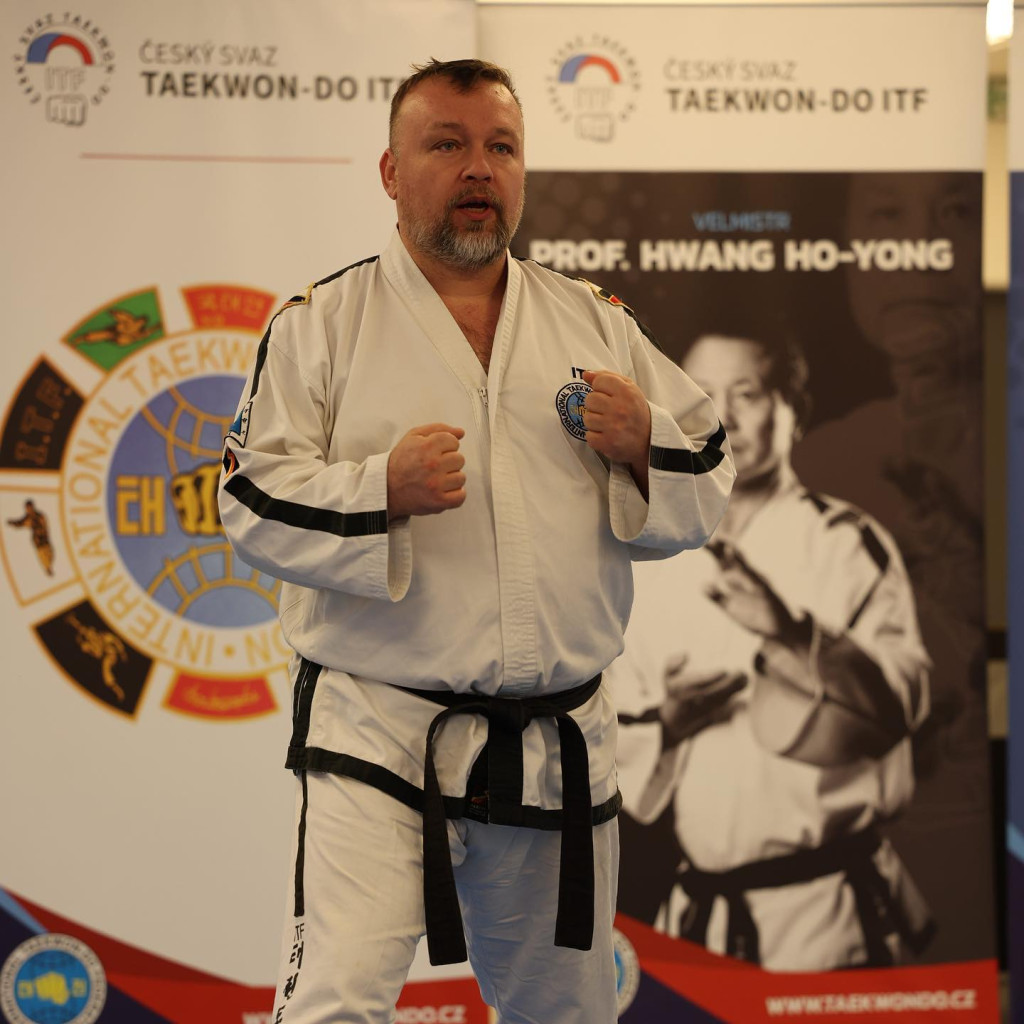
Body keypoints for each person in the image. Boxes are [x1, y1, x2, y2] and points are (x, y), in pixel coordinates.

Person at [217, 59, 734, 1023]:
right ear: (391, 171)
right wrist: (380, 490)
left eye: (501, 147)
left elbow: (709, 477)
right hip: (379, 734)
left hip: (557, 745)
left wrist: (644, 446)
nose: (478, 169)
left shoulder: (595, 322)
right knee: (335, 1006)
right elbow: (249, 500)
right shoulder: (319, 325)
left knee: (567, 1016)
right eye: (447, 144)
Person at [610, 316, 933, 971]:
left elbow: (900, 711)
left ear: (796, 411)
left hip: (830, 911)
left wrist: (792, 632)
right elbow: (610, 736)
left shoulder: (846, 546)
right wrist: (668, 721)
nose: (723, 416)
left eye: (748, 394)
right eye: (703, 395)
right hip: (705, 915)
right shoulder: (654, 555)